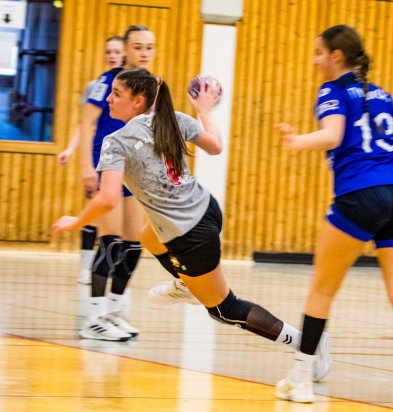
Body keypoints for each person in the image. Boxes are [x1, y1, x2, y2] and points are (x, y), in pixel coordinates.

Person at [52, 67, 331, 380]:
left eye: (116, 94)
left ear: (138, 101)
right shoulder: (173, 119)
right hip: (207, 210)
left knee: (225, 309)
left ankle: (307, 343)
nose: (108, 99)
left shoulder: (116, 142)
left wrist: (76, 221)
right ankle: (185, 284)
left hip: (190, 237)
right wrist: (205, 112)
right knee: (148, 236)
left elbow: (107, 199)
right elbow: (215, 146)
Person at [273, 24, 393, 411]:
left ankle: (302, 381)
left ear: (336, 56)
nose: (315, 61)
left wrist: (296, 141)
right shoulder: (382, 94)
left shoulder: (332, 90)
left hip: (360, 195)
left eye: (319, 53)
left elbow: (332, 135)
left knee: (322, 291)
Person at [76, 25, 155, 341]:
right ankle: (93, 318)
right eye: (138, 47)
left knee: (133, 246)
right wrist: (86, 166)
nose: (144, 53)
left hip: (133, 170)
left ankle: (113, 311)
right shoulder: (108, 81)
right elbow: (86, 123)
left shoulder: (152, 85)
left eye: (149, 47)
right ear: (126, 50)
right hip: (106, 165)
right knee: (110, 243)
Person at [58, 35, 125, 285]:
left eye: (116, 51)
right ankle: (87, 268)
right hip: (101, 156)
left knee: (114, 221)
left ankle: (110, 270)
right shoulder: (97, 85)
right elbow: (85, 122)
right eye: (108, 51)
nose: (112, 55)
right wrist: (71, 149)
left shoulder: (130, 84)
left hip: (124, 159)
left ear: (124, 54)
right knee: (95, 213)